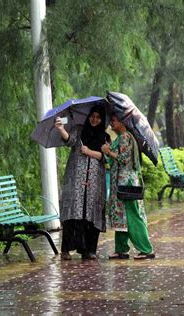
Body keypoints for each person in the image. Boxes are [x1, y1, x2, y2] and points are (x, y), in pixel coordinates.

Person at [55, 105, 109, 260]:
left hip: (95, 183)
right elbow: (70, 141)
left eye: (98, 117)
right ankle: (66, 249)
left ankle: (89, 250)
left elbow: (106, 157)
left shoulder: (105, 137)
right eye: (93, 116)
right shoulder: (78, 130)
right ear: (89, 116)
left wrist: (89, 152)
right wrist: (61, 129)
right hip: (76, 181)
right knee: (73, 212)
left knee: (91, 213)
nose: (95, 119)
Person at [101, 114, 155, 260]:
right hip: (120, 183)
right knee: (121, 216)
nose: (111, 123)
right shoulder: (120, 137)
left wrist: (108, 152)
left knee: (131, 216)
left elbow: (124, 159)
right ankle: (121, 249)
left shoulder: (125, 137)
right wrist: (108, 152)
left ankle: (146, 249)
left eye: (113, 120)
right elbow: (114, 160)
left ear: (121, 122)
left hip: (126, 183)